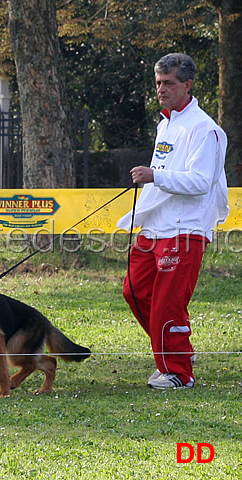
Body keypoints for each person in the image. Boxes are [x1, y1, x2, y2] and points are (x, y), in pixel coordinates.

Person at [117, 53, 229, 390]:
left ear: (188, 85)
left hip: (185, 228)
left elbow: (200, 181)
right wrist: (155, 178)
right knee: (134, 291)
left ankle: (179, 373)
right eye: (158, 83)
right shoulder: (165, 124)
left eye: (168, 83)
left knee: (169, 303)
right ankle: (179, 350)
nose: (161, 89)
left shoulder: (206, 129)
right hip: (155, 224)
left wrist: (155, 175)